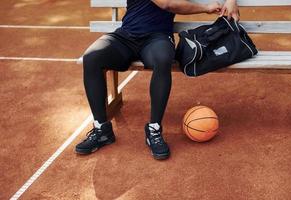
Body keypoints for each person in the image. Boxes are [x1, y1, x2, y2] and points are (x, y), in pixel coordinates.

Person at [75, 0, 240, 159]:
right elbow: (166, 3)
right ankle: (102, 129)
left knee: (163, 59)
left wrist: (231, 0)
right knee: (92, 57)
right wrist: (205, 8)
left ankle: (154, 129)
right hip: (127, 36)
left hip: (158, 38)